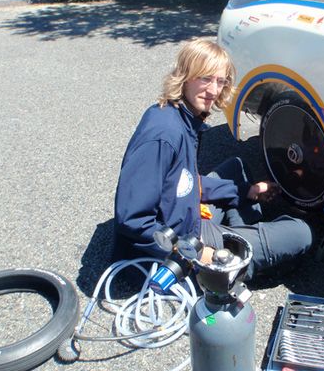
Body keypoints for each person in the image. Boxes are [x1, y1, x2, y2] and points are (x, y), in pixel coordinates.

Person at [113, 38, 313, 279]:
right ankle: (230, 260)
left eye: (220, 81)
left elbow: (183, 181)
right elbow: (133, 218)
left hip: (185, 216)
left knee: (236, 166)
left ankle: (237, 237)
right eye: (205, 78)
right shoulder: (164, 136)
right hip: (174, 247)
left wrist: (245, 190)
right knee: (301, 233)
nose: (213, 91)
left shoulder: (179, 117)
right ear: (185, 76)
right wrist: (194, 253)